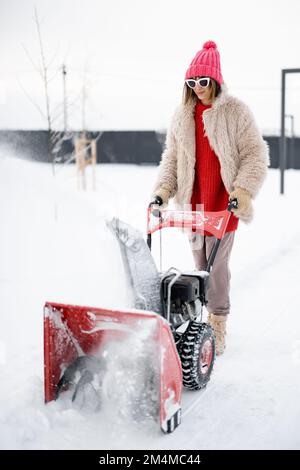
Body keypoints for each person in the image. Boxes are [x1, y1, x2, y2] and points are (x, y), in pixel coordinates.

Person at [151, 40, 269, 355]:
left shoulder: (235, 112)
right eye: (192, 82)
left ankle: (218, 324)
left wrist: (242, 191)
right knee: (199, 267)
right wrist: (163, 190)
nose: (198, 88)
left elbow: (256, 154)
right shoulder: (181, 116)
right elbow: (171, 159)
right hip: (194, 208)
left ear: (215, 80)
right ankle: (194, 324)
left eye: (203, 81)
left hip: (223, 208)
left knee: (216, 270)